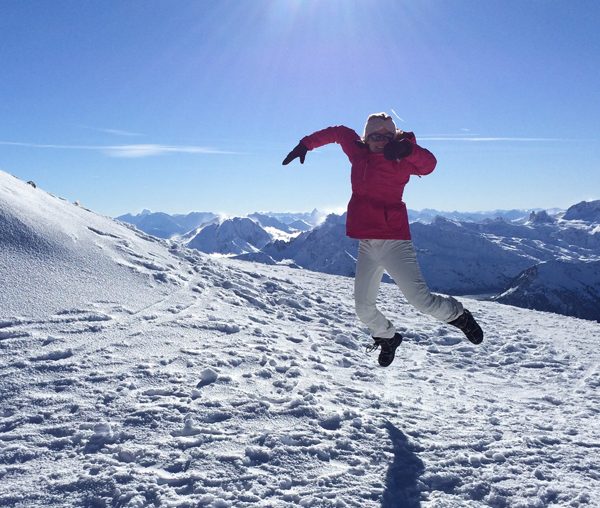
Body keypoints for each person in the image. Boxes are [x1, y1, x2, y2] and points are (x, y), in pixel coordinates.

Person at [282, 112, 483, 367]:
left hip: (394, 241)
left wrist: (407, 149)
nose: (380, 141)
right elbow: (339, 132)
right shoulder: (358, 153)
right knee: (363, 309)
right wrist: (305, 144)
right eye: (375, 136)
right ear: (366, 138)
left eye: (387, 136)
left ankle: (460, 316)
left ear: (394, 137)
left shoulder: (402, 157)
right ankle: (388, 337)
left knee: (421, 301)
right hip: (367, 244)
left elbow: (429, 165)